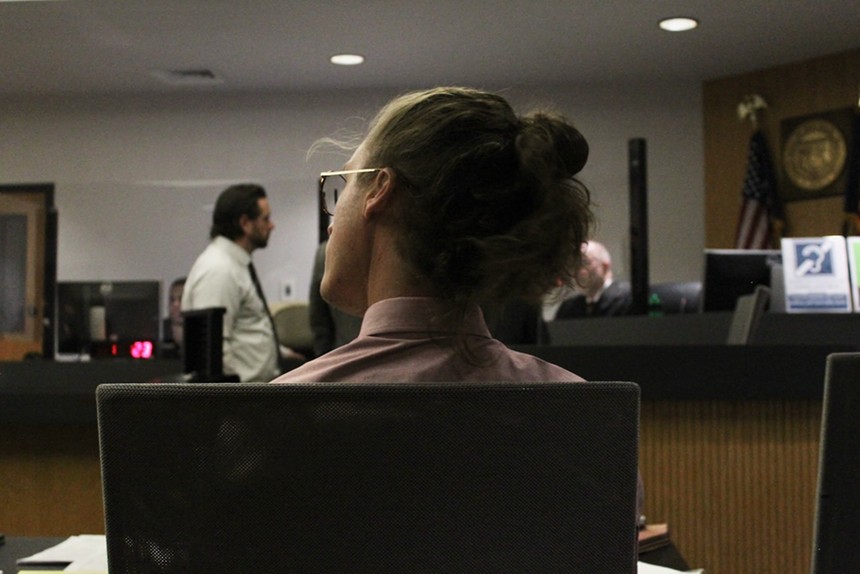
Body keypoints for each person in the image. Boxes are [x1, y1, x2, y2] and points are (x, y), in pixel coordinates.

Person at [271, 86, 593, 384]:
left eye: (347, 181)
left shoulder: (274, 410)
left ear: (379, 191)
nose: (332, 223)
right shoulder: (573, 401)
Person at [182, 183, 283, 382]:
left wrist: (280, 352)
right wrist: (234, 401)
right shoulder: (219, 270)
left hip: (250, 397)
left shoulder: (233, 265)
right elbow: (215, 352)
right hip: (240, 403)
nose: (272, 225)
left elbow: (246, 329)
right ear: (245, 223)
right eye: (266, 218)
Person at [308, 239, 363, 357]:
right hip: (395, 360)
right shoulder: (395, 247)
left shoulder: (326, 252)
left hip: (341, 356)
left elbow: (318, 317)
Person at [554, 240, 632, 319]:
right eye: (575, 264)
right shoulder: (569, 308)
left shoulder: (627, 298)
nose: (578, 270)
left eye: (585, 262)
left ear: (604, 266)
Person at [161, 276, 186, 358]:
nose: (175, 305)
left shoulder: (204, 330)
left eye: (181, 299)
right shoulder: (159, 329)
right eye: (172, 300)